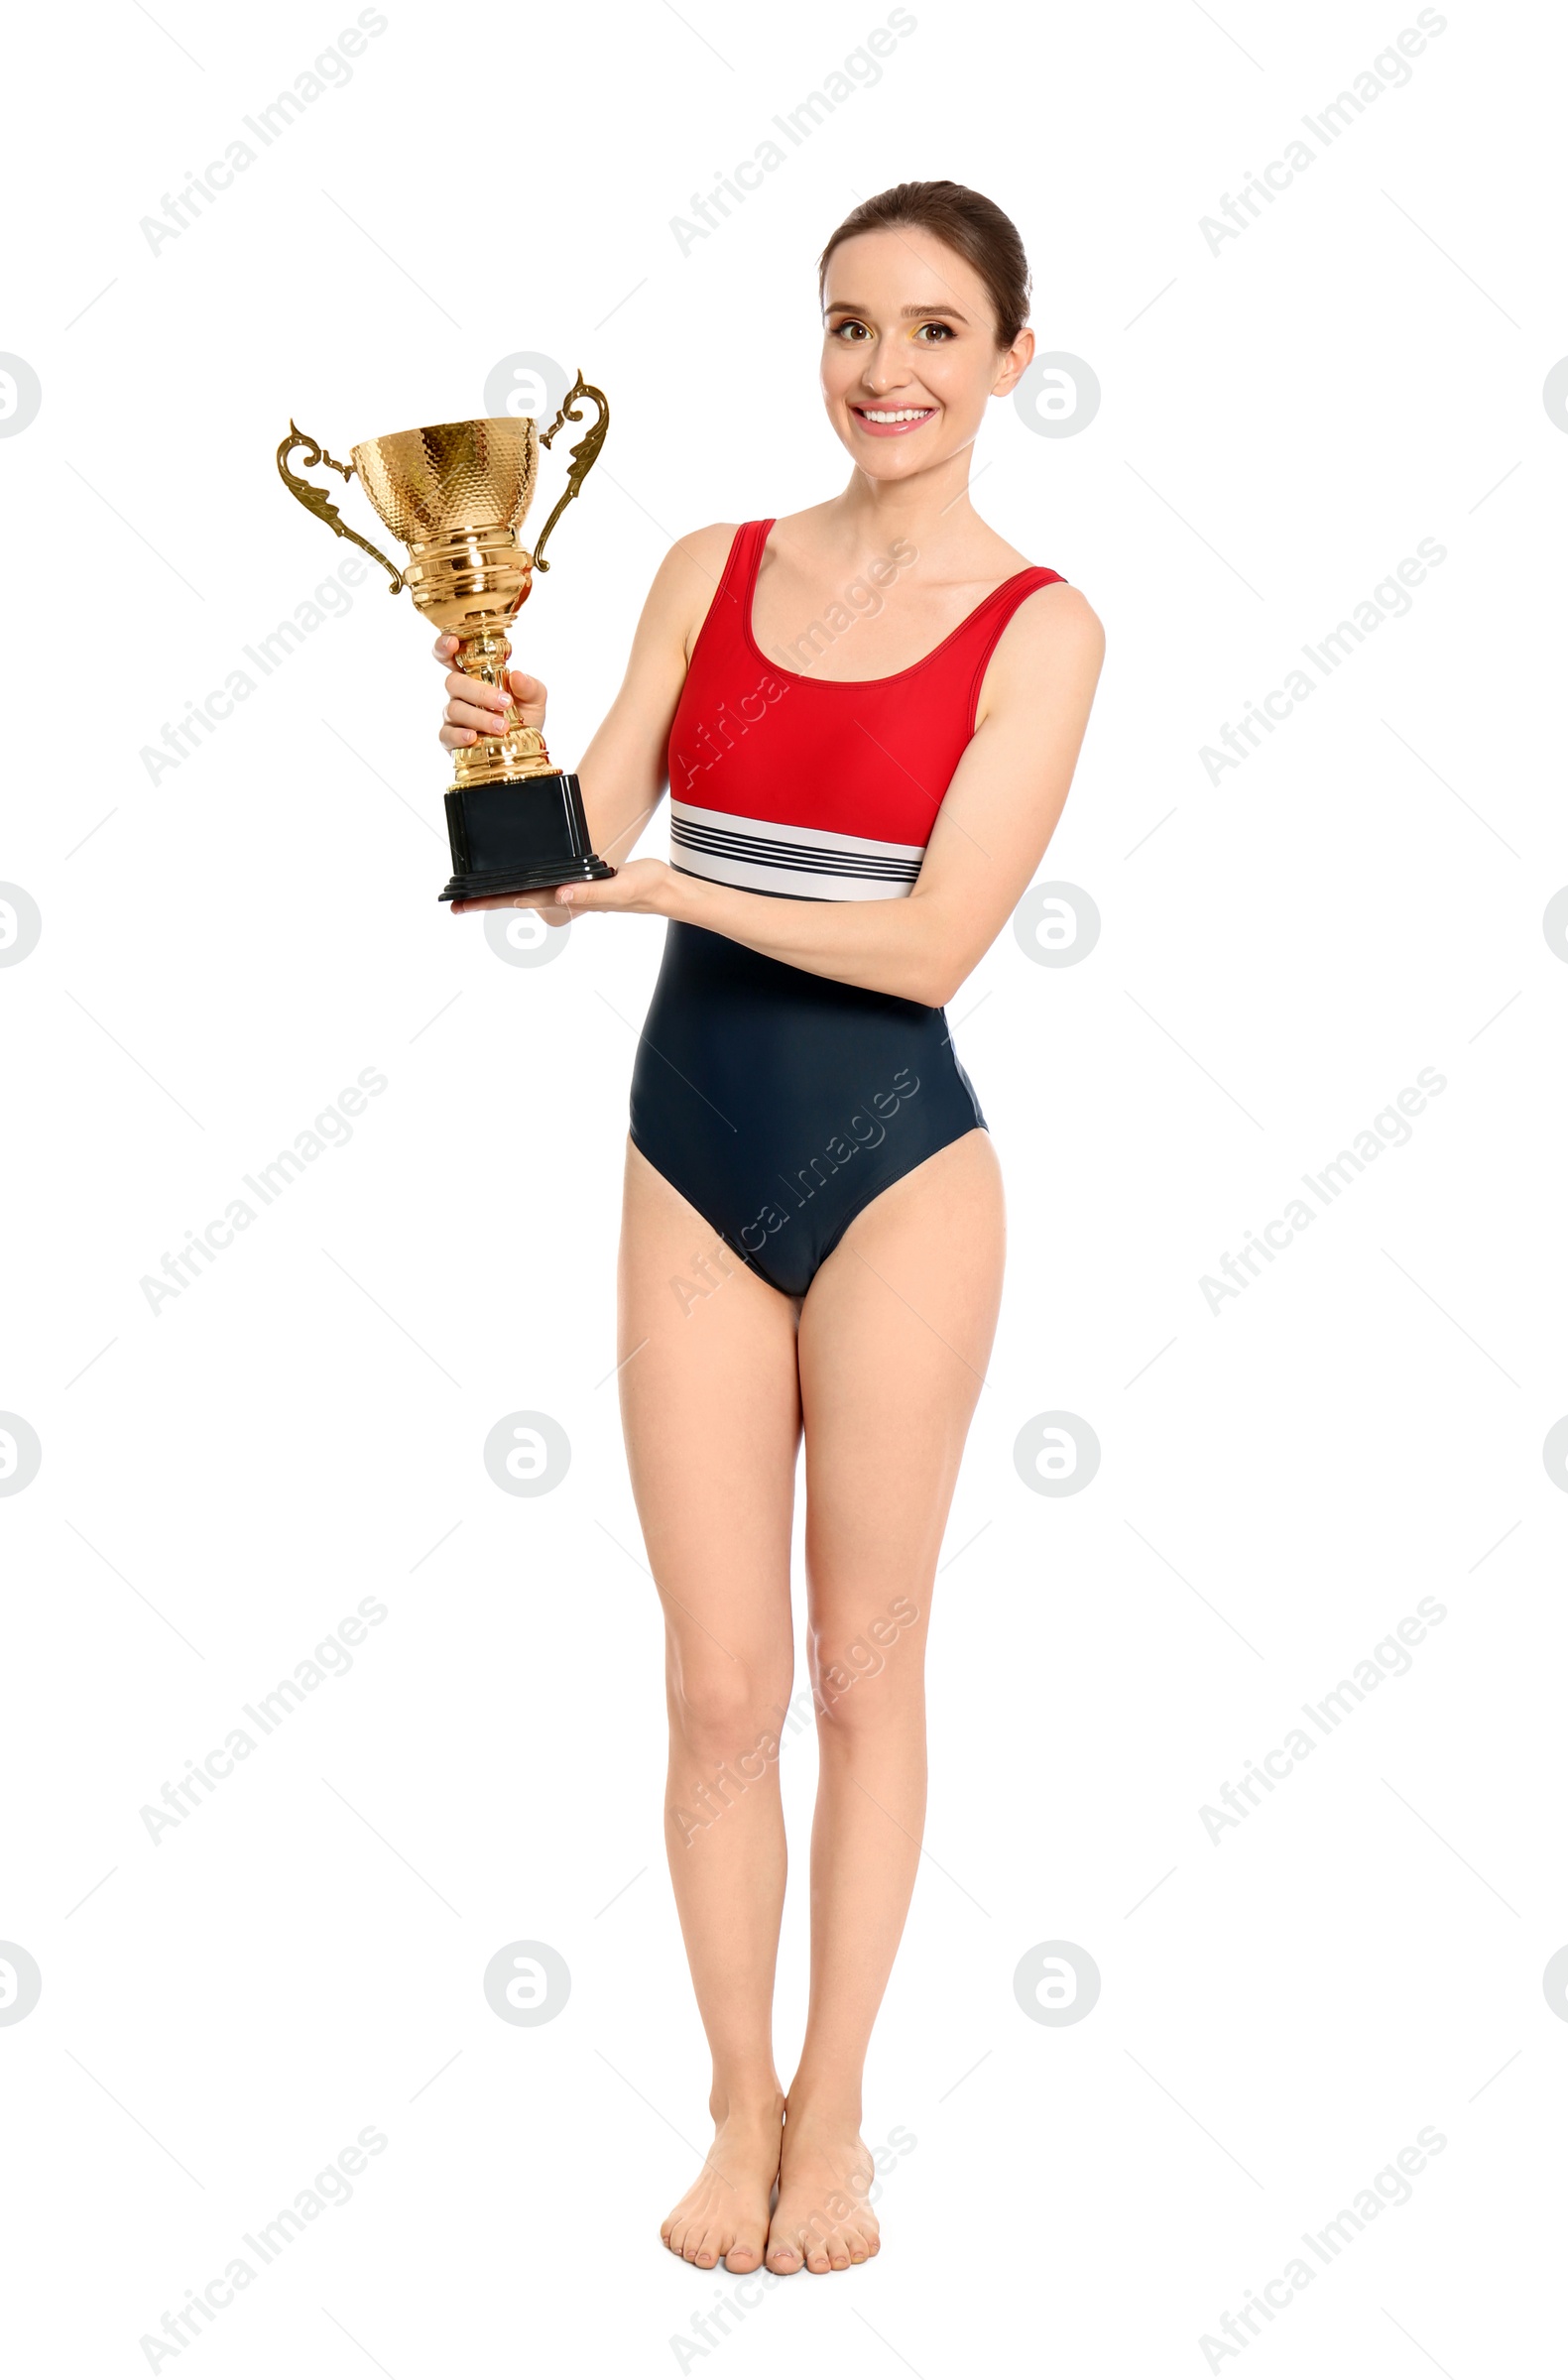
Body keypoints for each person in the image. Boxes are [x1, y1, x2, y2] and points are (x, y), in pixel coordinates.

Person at [434, 180, 1103, 2275]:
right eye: (845, 325)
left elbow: (923, 950)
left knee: (858, 1665)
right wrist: (504, 762)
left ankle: (841, 2122)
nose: (879, 370)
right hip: (690, 1160)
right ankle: (734, 2105)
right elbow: (576, 860)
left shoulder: (1042, 624)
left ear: (1010, 356)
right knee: (718, 1684)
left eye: (928, 328)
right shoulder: (703, 566)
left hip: (901, 1168)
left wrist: (664, 892)